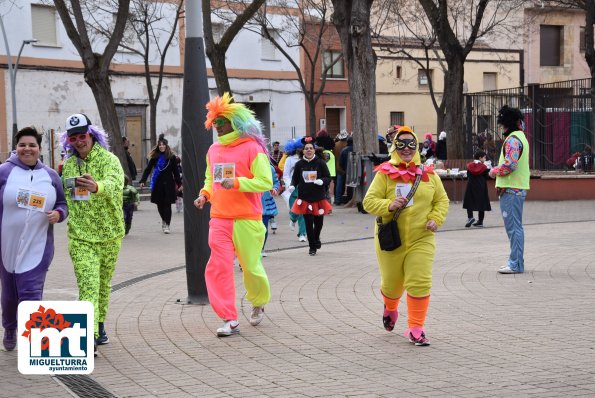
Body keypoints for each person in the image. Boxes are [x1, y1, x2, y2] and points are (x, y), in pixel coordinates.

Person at [193, 93, 273, 337]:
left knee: (250, 266)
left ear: (235, 122)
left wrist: (237, 183)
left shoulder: (253, 148)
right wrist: (205, 194)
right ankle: (229, 318)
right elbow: (210, 179)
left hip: (247, 217)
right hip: (219, 217)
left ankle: (258, 300)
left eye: (221, 122)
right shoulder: (213, 150)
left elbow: (265, 181)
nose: (217, 127)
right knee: (218, 266)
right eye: (213, 122)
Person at [363, 126, 449, 346]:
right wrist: (388, 204)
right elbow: (368, 202)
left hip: (422, 237)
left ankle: (416, 328)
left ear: (418, 146)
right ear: (394, 147)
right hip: (391, 238)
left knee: (419, 281)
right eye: (401, 144)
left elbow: (442, 200)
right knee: (392, 285)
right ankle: (390, 307)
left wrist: (435, 218)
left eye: (411, 144)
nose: (407, 149)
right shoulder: (384, 174)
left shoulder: (429, 175)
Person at [60, 113, 125, 356]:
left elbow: (115, 184)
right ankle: (89, 336)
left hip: (109, 234)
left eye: (83, 135)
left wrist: (97, 186)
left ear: (91, 135)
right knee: (88, 284)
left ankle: (99, 325)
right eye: (73, 137)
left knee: (102, 285)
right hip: (80, 236)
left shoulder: (110, 160)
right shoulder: (68, 165)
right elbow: (66, 195)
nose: (79, 141)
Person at [0, 127, 68, 351]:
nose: (27, 149)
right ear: (16, 147)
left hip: (37, 246)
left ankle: (33, 342)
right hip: (6, 246)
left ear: (39, 149)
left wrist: (59, 214)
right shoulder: (4, 172)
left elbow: (62, 204)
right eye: (22, 145)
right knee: (10, 296)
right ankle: (10, 327)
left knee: (31, 294)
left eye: (32, 145)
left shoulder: (50, 176)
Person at [489, 105, 530, 274]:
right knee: (515, 227)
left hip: (511, 189)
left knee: (513, 228)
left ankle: (515, 264)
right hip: (516, 188)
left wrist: (493, 171)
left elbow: (510, 165)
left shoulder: (512, 140)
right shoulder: (520, 137)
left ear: (505, 124)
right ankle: (516, 262)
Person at [289, 137, 332, 255]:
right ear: (303, 151)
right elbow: (295, 178)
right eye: (306, 149)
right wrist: (292, 185)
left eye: (311, 148)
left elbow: (328, 177)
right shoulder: (299, 164)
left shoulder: (320, 163)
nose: (308, 150)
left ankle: (316, 237)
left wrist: (322, 181)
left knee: (319, 223)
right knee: (308, 223)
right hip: (305, 198)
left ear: (314, 150)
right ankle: (312, 247)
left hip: (318, 198)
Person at [139, 134, 182, 234]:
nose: (161, 146)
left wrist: (180, 184)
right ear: (158, 147)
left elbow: (175, 172)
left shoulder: (171, 158)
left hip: (169, 184)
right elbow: (148, 169)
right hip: (158, 184)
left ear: (166, 146)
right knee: (159, 205)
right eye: (160, 145)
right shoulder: (155, 157)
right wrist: (142, 180)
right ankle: (163, 219)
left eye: (163, 145)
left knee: (167, 204)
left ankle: (167, 224)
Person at [282, 138, 307, 241]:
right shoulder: (290, 160)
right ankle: (293, 219)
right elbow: (286, 175)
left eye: (303, 148)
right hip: (293, 188)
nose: (301, 150)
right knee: (294, 210)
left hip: (304, 188)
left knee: (303, 211)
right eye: (299, 148)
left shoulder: (306, 160)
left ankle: (302, 233)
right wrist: (290, 185)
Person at [463, 150, 492, 228]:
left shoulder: (469, 166)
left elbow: (468, 175)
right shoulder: (484, 167)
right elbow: (487, 177)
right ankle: (480, 221)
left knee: (469, 201)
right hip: (481, 187)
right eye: (484, 157)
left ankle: (470, 217)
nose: (485, 159)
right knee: (481, 203)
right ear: (480, 158)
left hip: (471, 186)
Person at [261, 163, 280, 257]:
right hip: (249, 203)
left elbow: (276, 182)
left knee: (263, 228)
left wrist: (275, 189)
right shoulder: (246, 166)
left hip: (264, 202)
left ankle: (261, 248)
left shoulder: (269, 167)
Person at [315, 129, 336, 203]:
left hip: (326, 173)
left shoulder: (323, 153)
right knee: (330, 186)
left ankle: (327, 203)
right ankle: (330, 200)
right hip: (331, 172)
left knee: (325, 189)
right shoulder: (330, 151)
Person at [337, 136, 354, 205]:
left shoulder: (344, 150)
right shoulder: (356, 149)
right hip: (355, 169)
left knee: (347, 185)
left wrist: (344, 169)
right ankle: (351, 197)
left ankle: (348, 198)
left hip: (346, 170)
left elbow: (341, 162)